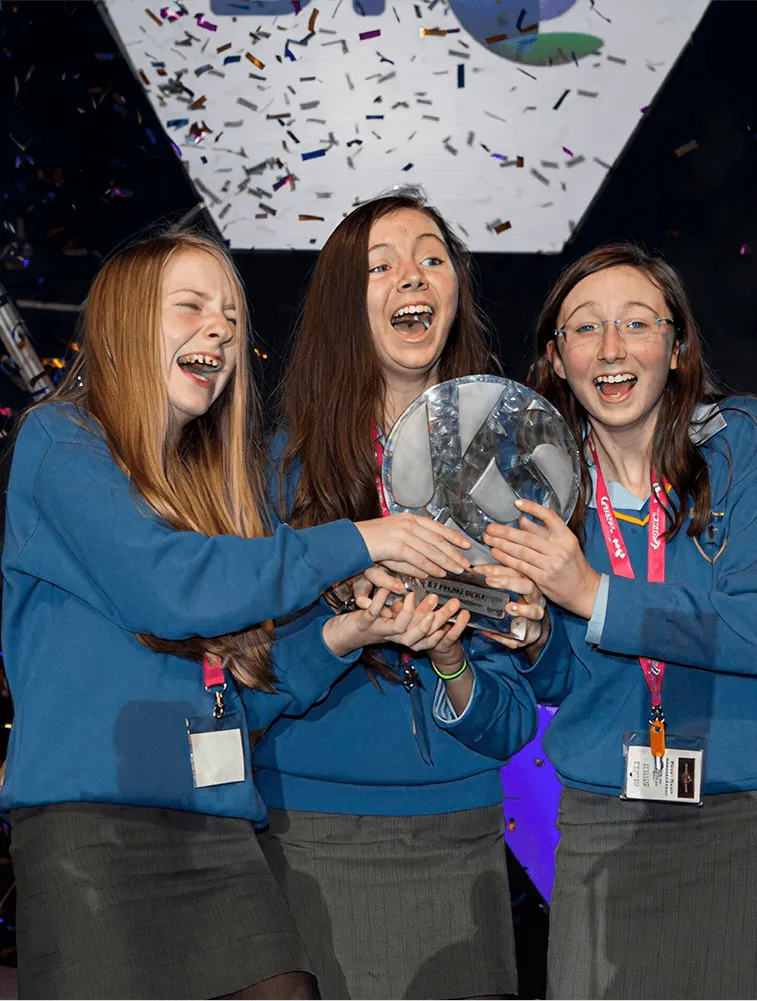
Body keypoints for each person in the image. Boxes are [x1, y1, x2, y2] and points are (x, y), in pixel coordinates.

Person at [0, 229, 473, 1001]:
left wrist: (344, 634)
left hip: (219, 832)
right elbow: (171, 589)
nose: (218, 329)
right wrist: (359, 539)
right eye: (190, 306)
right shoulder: (59, 441)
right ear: (122, 323)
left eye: (229, 316)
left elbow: (238, 698)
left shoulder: (214, 492)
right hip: (92, 829)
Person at [482, 243, 757, 1001]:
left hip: (745, 818)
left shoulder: (742, 444)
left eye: (636, 322)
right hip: (603, 820)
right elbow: (565, 674)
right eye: (585, 328)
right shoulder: (540, 487)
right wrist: (531, 639)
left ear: (676, 344)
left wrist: (593, 592)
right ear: (557, 360)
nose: (613, 347)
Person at [250, 190, 541, 1001]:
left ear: (455, 294)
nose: (412, 275)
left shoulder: (507, 474)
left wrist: (453, 662)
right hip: (310, 837)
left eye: (432, 257)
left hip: (463, 843)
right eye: (381, 265)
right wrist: (345, 629)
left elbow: (515, 716)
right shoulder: (276, 477)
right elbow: (245, 686)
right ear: (348, 303)